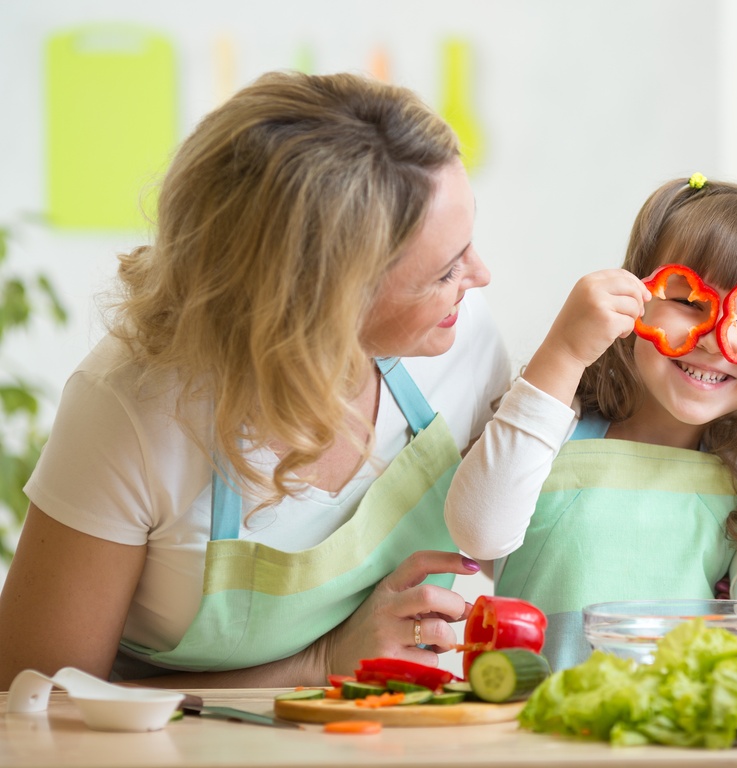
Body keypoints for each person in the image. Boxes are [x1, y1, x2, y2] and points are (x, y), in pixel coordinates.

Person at [0, 70, 511, 691]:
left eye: (467, 246)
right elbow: (32, 701)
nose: (479, 276)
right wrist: (319, 665)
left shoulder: (460, 338)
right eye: (443, 272)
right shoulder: (133, 409)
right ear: (324, 304)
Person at [445, 175, 737, 670]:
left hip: (674, 742)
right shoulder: (556, 427)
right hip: (530, 733)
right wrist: (564, 351)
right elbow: (478, 534)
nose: (715, 339)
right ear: (635, 298)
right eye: (689, 302)